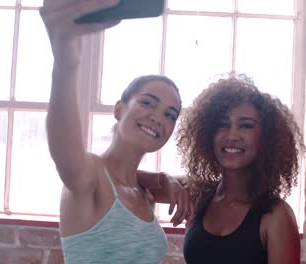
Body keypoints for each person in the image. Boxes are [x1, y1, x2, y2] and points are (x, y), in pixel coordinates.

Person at [40, 0, 190, 263]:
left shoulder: (142, 193)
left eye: (170, 114)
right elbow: (64, 152)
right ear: (120, 109)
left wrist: (163, 179)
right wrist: (65, 64)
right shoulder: (89, 176)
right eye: (147, 103)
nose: (157, 117)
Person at [179, 74, 303, 264]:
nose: (232, 135)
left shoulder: (276, 215)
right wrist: (161, 179)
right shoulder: (200, 195)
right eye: (223, 125)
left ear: (266, 138)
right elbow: (128, 180)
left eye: (245, 125)